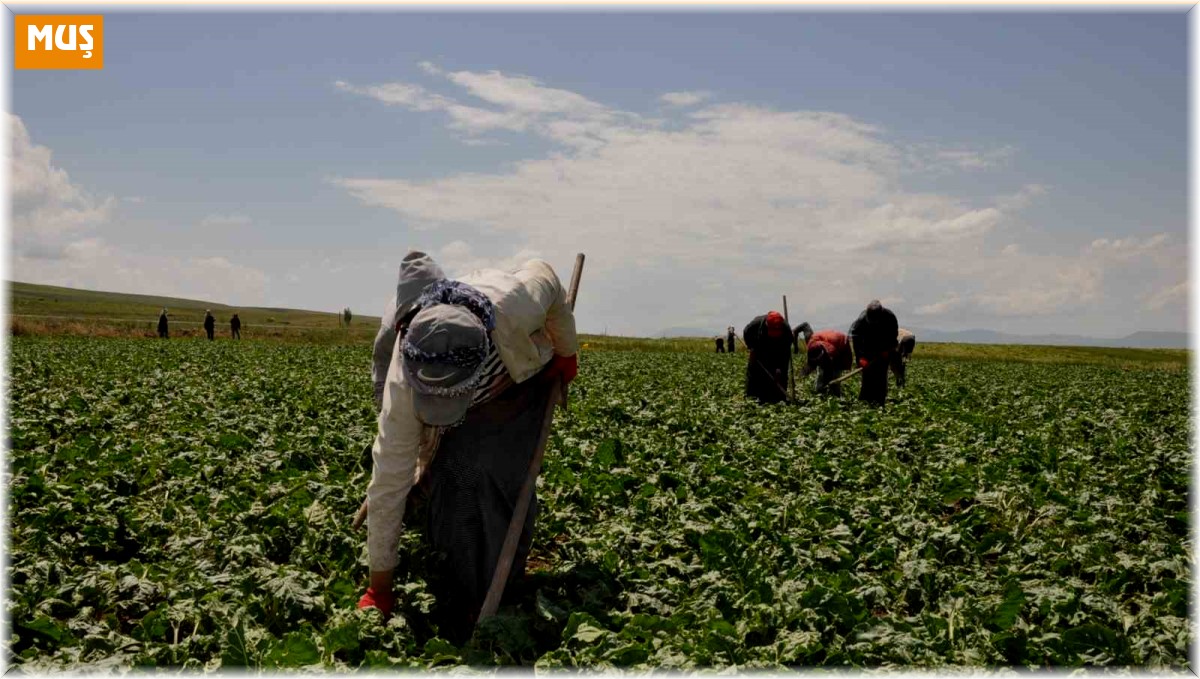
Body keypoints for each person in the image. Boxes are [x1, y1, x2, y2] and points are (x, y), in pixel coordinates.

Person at [358, 257, 579, 642]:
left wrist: (566, 351)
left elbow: (548, 277)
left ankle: (495, 579)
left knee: (492, 470)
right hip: (449, 382)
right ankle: (448, 554)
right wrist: (380, 586)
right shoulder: (403, 376)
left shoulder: (516, 304)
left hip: (514, 380)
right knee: (444, 468)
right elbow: (388, 478)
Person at [849, 300, 899, 406]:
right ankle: (865, 401)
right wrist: (860, 357)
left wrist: (888, 349)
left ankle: (880, 401)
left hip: (883, 349)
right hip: (867, 350)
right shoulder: (861, 320)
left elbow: (894, 336)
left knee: (881, 375)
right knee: (867, 376)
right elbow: (856, 339)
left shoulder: (890, 317)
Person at [741, 311, 792, 403]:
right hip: (759, 347)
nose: (775, 333)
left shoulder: (787, 331)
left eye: (777, 331)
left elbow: (785, 353)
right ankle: (752, 397)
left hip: (778, 349)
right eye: (773, 330)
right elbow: (746, 333)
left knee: (780, 374)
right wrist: (751, 348)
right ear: (766, 324)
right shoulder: (755, 325)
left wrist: (779, 367)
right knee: (755, 371)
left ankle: (779, 397)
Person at [801, 329, 852, 395]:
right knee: (821, 373)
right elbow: (811, 363)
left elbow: (835, 362)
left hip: (839, 345)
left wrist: (830, 378)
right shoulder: (812, 347)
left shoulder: (833, 351)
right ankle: (819, 391)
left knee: (835, 374)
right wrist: (804, 373)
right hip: (827, 341)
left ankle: (835, 393)